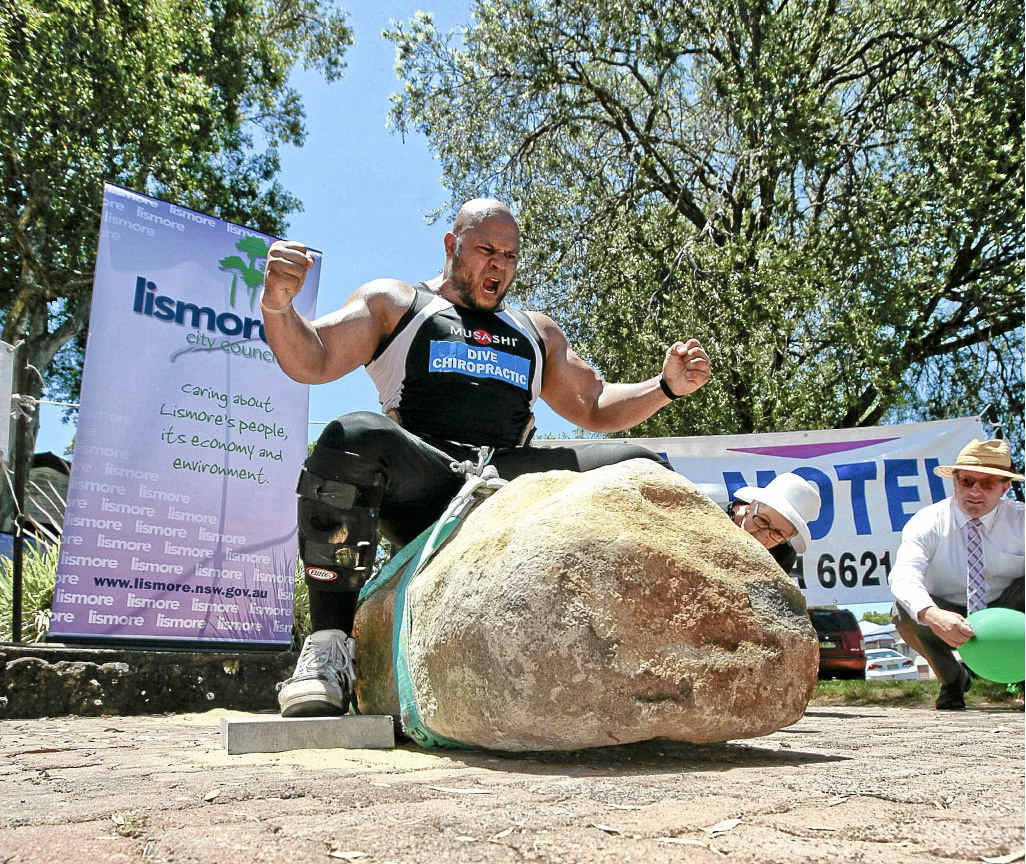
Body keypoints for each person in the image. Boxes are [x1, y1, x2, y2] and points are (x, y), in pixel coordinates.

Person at [261, 198, 711, 717]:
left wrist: (665, 387)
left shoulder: (534, 331)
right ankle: (327, 649)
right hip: (430, 487)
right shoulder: (397, 303)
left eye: (510, 256)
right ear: (452, 246)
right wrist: (279, 307)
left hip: (508, 488)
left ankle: (657, 642)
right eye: (486, 250)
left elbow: (593, 405)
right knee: (352, 435)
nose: (498, 265)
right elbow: (312, 357)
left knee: (640, 464)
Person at [888, 438, 1025, 710]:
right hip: (946, 607)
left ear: (1005, 487)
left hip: (1008, 606)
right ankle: (952, 680)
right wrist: (932, 614)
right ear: (954, 482)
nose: (975, 491)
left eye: (987, 483)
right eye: (967, 482)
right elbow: (903, 574)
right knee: (903, 612)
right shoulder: (927, 521)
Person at [726, 473, 821, 573]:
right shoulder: (712, 518)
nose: (762, 536)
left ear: (788, 537)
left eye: (778, 533)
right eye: (763, 520)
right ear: (752, 505)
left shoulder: (783, 554)